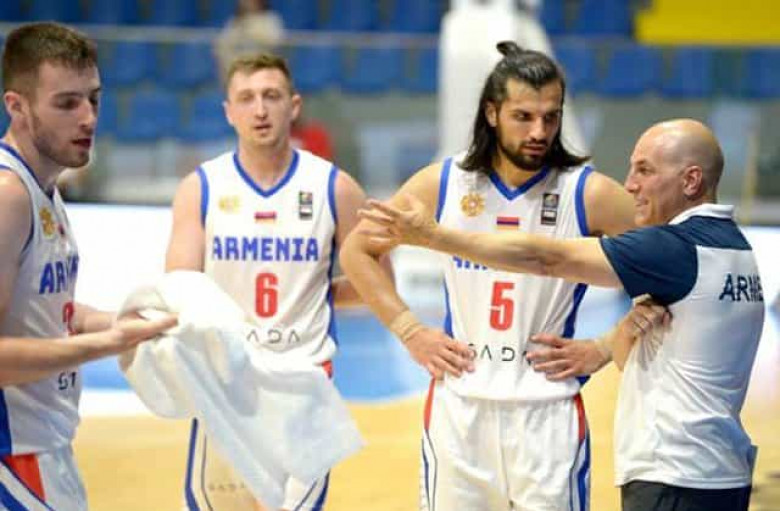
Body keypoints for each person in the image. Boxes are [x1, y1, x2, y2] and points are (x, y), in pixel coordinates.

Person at [359, 118, 765, 511]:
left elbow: (546, 257)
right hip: (720, 470)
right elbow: (639, 357)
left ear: (691, 180)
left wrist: (432, 236)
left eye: (645, 170)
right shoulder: (735, 248)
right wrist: (606, 345)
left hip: (675, 473)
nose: (630, 184)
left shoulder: (671, 250)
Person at [339, 41, 637, 510]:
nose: (539, 131)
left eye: (551, 117)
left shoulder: (590, 193)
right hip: (460, 408)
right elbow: (357, 251)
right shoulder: (443, 183)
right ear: (492, 113)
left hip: (547, 412)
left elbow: (673, 270)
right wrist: (410, 330)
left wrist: (603, 347)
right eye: (524, 117)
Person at [165, 52, 388, 511]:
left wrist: (317, 296)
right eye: (246, 98)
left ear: (294, 105)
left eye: (271, 96)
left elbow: (380, 282)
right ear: (229, 111)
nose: (260, 109)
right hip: (226, 381)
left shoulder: (335, 187)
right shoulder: (201, 188)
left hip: (303, 380)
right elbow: (180, 290)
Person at [0, 22, 177, 509]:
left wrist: (119, 322)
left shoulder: (44, 189)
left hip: (42, 446)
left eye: (94, 99)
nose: (88, 118)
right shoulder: (9, 196)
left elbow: (44, 309)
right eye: (67, 103)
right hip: (13, 455)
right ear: (17, 106)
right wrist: (107, 344)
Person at [214, 0, 285, 79]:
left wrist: (253, 33)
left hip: (262, 70)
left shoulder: (271, 19)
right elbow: (223, 44)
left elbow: (276, 44)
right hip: (238, 69)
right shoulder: (235, 21)